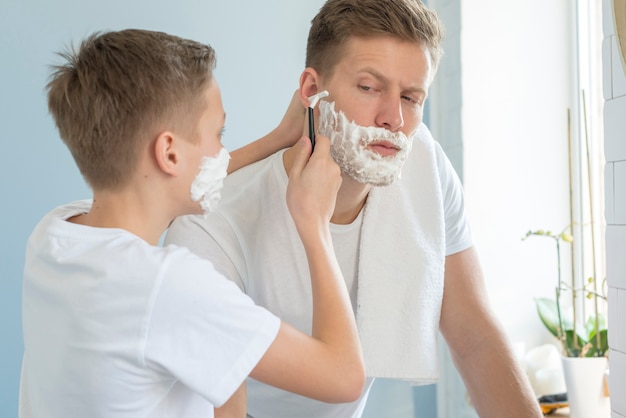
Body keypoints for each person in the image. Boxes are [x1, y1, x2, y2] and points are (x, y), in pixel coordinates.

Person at [166, 1, 543, 417]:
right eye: (369, 87)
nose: (393, 119)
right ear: (312, 91)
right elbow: (216, 397)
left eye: (411, 97)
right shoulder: (217, 219)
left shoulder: (425, 169)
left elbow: (475, 339)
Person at [19, 29, 366, 418]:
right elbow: (344, 377)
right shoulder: (168, 287)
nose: (221, 150)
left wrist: (278, 138)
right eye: (218, 134)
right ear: (168, 152)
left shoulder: (56, 234)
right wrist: (314, 223)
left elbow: (167, 184)